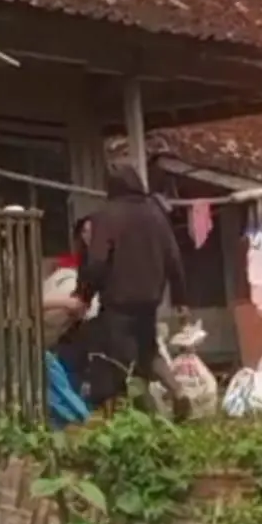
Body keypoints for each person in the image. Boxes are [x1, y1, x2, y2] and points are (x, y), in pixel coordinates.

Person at [80, 146, 191, 416]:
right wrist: (180, 299)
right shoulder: (156, 214)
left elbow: (96, 261)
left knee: (116, 362)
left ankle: (131, 415)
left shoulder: (107, 216)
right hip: (149, 301)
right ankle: (178, 391)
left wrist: (84, 293)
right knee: (148, 352)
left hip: (118, 302)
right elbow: (174, 258)